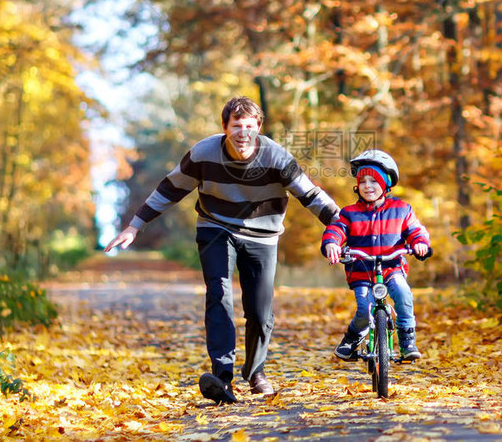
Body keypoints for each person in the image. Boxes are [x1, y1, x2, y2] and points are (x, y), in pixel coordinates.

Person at [104, 97, 339, 405]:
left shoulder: (276, 157)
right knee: (219, 292)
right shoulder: (203, 153)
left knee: (260, 310)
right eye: (236, 126)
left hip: (264, 235)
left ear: (259, 128)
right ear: (225, 128)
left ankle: (256, 373)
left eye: (250, 126)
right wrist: (135, 225)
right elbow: (171, 188)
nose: (243, 133)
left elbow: (311, 195)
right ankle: (223, 377)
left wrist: (345, 225)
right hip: (216, 227)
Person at [321, 149, 432, 362]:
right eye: (363, 181)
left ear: (386, 184)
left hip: (392, 267)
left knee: (403, 294)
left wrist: (420, 243)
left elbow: (415, 230)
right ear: (357, 185)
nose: (368, 186)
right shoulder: (349, 213)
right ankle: (352, 338)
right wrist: (332, 244)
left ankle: (407, 340)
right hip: (362, 270)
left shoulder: (401, 209)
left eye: (374, 181)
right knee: (365, 309)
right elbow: (336, 229)